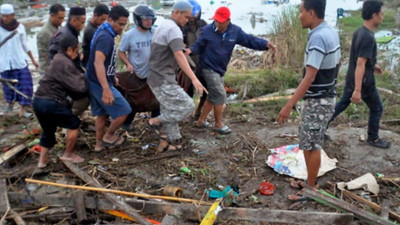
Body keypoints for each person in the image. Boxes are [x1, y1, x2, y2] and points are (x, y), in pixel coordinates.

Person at [277, 0, 340, 200]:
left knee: (312, 145)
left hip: (318, 101)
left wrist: (289, 105)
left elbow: (310, 76)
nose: (299, 15)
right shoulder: (329, 31)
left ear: (311, 13)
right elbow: (337, 62)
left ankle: (311, 189)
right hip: (325, 97)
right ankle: (310, 181)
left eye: (301, 11)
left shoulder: (319, 38)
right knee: (309, 141)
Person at [187, 6, 275, 134]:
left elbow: (249, 40)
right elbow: (198, 46)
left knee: (213, 95)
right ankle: (218, 124)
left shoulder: (235, 31)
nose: (218, 23)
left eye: (221, 21)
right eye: (216, 20)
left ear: (228, 20)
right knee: (220, 94)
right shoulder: (206, 31)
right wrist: (190, 50)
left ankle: (201, 121)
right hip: (207, 68)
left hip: (220, 69)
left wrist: (265, 44)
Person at [327, 0, 390, 149]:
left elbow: (360, 59)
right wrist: (358, 89)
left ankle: (319, 128)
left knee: (342, 104)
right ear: (374, 15)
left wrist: (373, 65)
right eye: (381, 13)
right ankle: (373, 138)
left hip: (352, 77)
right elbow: (360, 63)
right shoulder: (367, 37)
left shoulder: (359, 32)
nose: (382, 16)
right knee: (377, 108)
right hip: (364, 81)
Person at [146, 1, 207, 153]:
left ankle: (169, 143)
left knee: (169, 108)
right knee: (187, 106)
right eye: (186, 17)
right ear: (177, 12)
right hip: (161, 78)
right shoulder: (173, 29)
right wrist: (194, 79)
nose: (187, 20)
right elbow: (179, 55)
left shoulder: (165, 25)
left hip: (157, 75)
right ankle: (155, 121)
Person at [34, 35, 88, 168]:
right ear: (70, 50)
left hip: (37, 101)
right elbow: (79, 87)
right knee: (74, 123)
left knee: (48, 131)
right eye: (76, 51)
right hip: (52, 102)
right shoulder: (65, 62)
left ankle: (42, 162)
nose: (77, 54)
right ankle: (68, 154)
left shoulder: (56, 59)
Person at [86, 5, 132, 152]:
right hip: (98, 82)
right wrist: (106, 88)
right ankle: (109, 136)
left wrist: (112, 76)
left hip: (95, 79)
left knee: (102, 114)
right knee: (124, 110)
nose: (123, 28)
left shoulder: (104, 31)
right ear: (111, 20)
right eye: (120, 24)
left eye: (125, 24)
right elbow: (98, 62)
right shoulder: (105, 37)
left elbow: (105, 62)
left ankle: (98, 145)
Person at [118, 4, 159, 131]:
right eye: (146, 19)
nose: (149, 21)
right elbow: (121, 52)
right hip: (137, 74)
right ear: (138, 19)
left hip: (154, 73)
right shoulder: (129, 35)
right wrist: (128, 64)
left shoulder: (155, 32)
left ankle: (154, 123)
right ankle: (126, 124)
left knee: (157, 100)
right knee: (135, 102)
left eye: (151, 19)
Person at [0, 4, 38, 118]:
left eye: (7, 16)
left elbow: (25, 45)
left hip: (19, 62)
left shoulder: (20, 27)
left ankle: (22, 109)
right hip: (4, 63)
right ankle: (9, 105)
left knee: (25, 84)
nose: (5, 18)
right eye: (3, 16)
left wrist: (33, 60)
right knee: (7, 87)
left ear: (13, 15)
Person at [48, 6, 88, 116]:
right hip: (62, 77)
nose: (83, 26)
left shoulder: (71, 32)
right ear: (74, 20)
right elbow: (53, 57)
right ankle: (69, 120)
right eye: (82, 22)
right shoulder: (64, 35)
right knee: (83, 97)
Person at [180, 0, 207, 119]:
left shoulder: (203, 25)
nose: (191, 19)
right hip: (187, 63)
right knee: (187, 90)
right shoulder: (180, 28)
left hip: (203, 62)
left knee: (205, 89)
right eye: (189, 17)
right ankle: (187, 113)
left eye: (194, 16)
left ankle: (199, 111)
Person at [37, 3, 65, 74]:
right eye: (60, 18)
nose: (62, 21)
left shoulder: (58, 27)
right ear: (52, 15)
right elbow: (45, 54)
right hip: (47, 70)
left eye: (63, 18)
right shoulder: (44, 33)